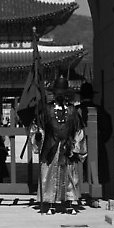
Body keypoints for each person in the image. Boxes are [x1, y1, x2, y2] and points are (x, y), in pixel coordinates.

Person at [30, 76, 87, 215]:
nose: (60, 96)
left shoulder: (73, 111)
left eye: (63, 93)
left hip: (68, 147)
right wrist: (38, 136)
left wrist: (76, 147)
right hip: (51, 146)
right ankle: (49, 203)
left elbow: (79, 131)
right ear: (54, 94)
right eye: (58, 93)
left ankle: (69, 202)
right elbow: (38, 128)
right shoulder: (46, 110)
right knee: (49, 174)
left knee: (68, 176)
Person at [75, 82, 113, 188]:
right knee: (97, 172)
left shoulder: (76, 110)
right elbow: (108, 130)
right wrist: (99, 140)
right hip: (97, 146)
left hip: (79, 146)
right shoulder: (100, 110)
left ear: (81, 96)